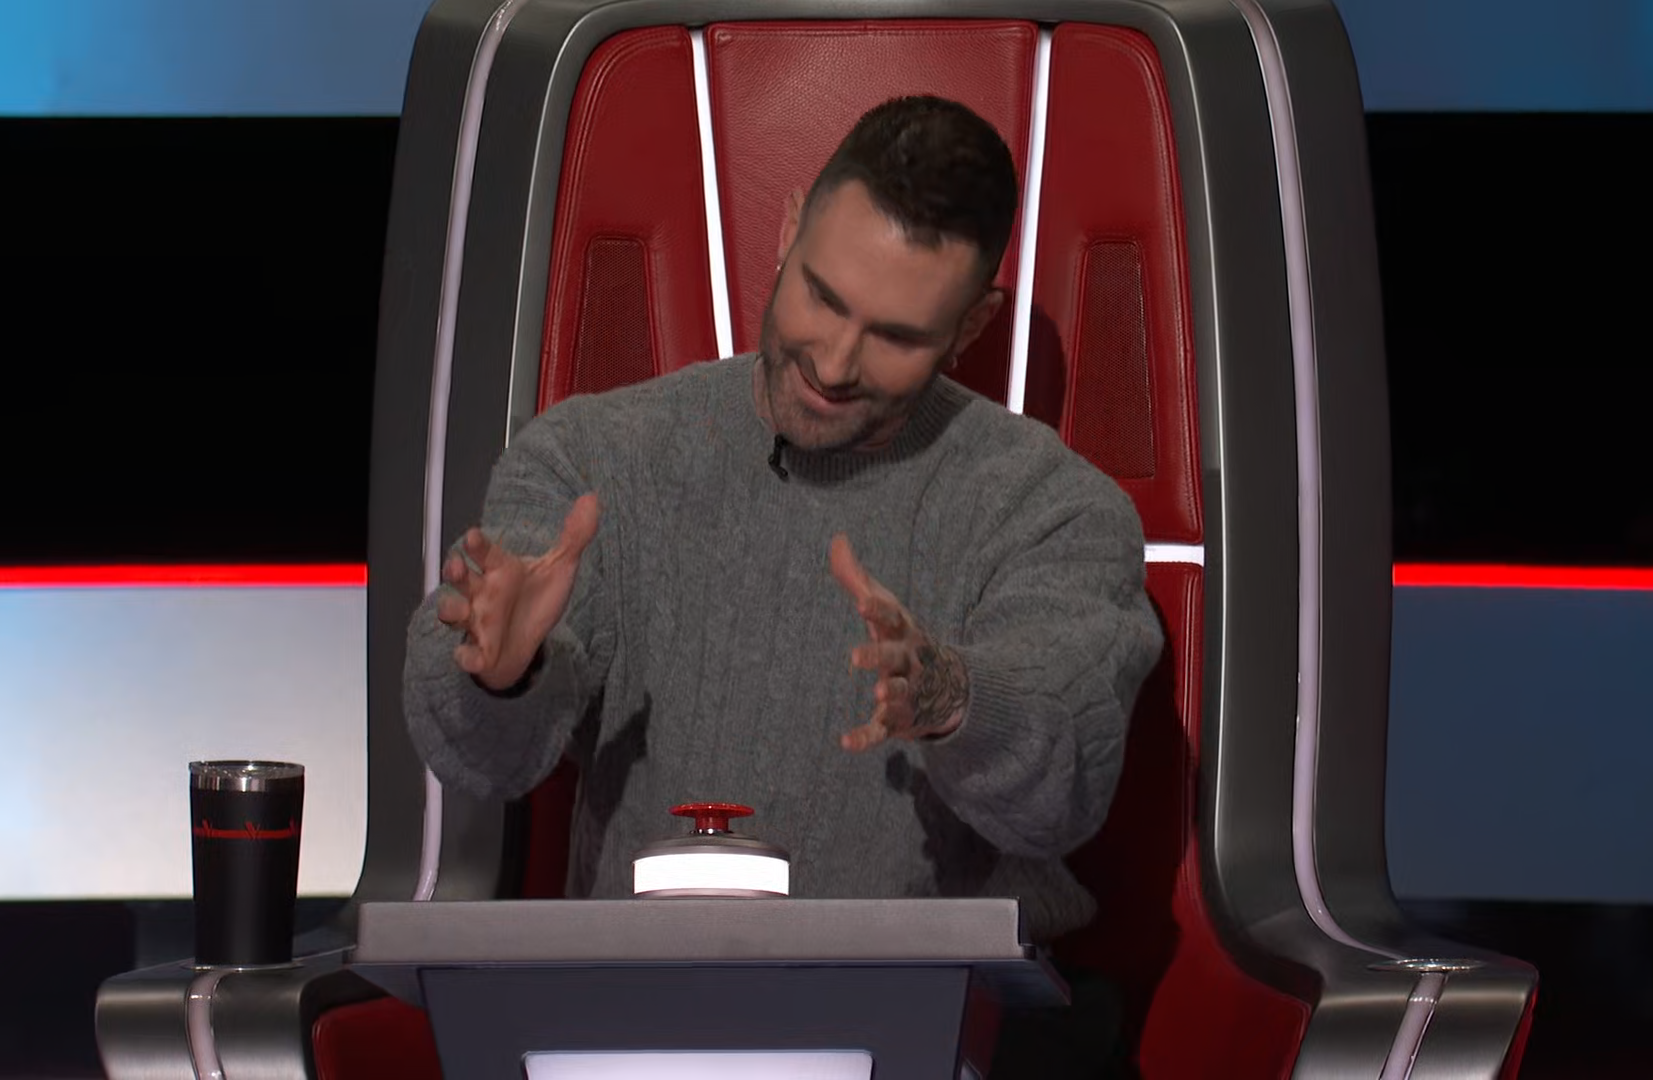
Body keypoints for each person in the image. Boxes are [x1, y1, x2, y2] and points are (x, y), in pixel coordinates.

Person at [403, 95, 1164, 1073]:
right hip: (638, 1026)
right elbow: (478, 762)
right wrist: (500, 678)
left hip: (944, 1031)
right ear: (787, 228)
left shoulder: (1055, 507)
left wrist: (951, 700)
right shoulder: (598, 455)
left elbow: (1065, 787)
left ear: (971, 324)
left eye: (895, 336)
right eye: (823, 297)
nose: (835, 363)